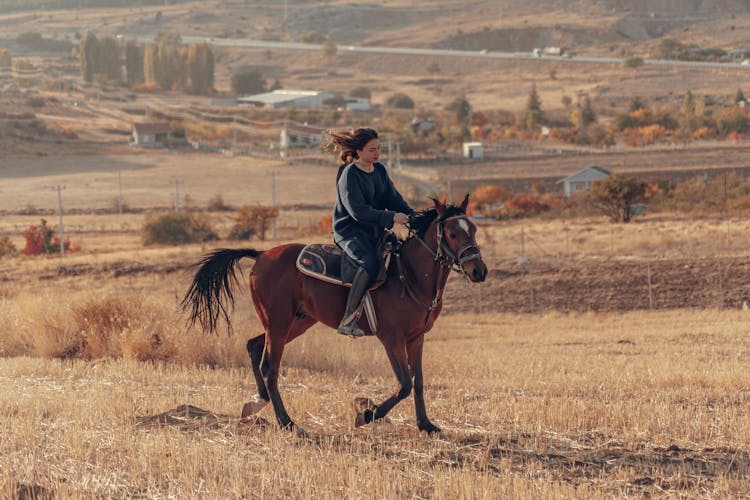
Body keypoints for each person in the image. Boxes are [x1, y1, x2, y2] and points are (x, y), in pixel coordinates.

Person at [325, 128, 414, 337]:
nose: (377, 154)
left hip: (374, 230)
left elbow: (393, 198)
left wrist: (413, 215)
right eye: (372, 150)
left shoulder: (379, 170)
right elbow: (358, 212)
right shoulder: (349, 175)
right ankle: (348, 320)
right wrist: (391, 217)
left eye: (379, 149)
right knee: (371, 263)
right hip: (350, 232)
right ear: (358, 151)